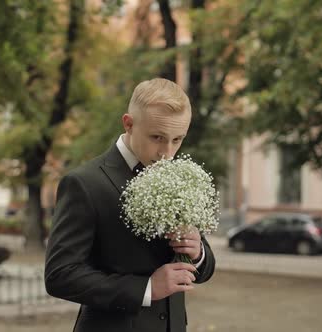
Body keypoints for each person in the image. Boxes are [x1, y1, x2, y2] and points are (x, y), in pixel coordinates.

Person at [44, 78, 216, 332]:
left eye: (177, 139)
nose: (167, 153)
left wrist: (197, 251)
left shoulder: (178, 177)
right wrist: (146, 288)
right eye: (157, 137)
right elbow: (59, 275)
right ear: (128, 123)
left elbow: (204, 269)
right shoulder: (84, 183)